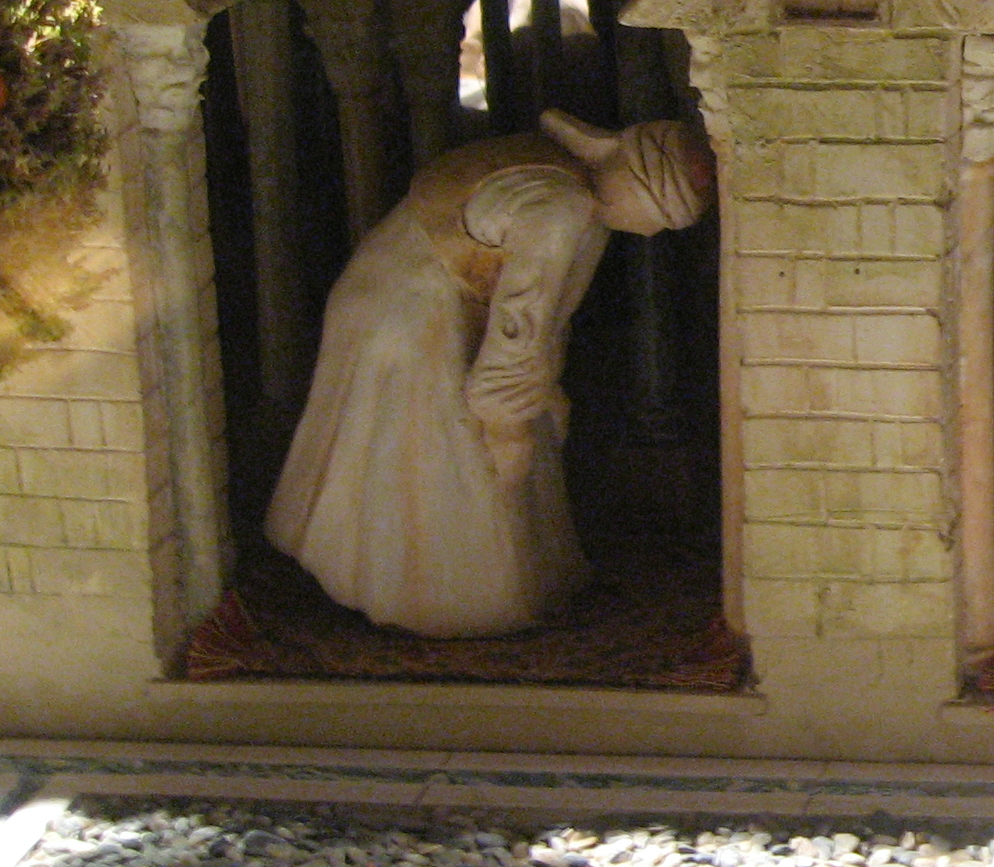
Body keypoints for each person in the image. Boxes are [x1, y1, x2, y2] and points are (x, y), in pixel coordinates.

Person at [267, 110, 714, 638]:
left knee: (458, 449)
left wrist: (539, 393)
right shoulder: (562, 209)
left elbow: (543, 321)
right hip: (416, 321)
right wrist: (507, 425)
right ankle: (440, 601)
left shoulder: (572, 190)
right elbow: (519, 329)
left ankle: (436, 583)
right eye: (663, 217)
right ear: (642, 190)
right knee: (446, 455)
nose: (653, 232)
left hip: (402, 300)